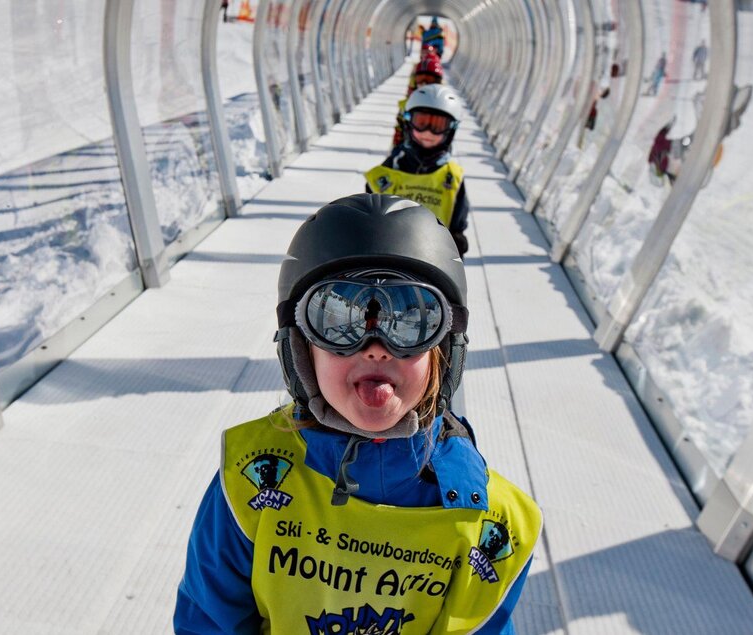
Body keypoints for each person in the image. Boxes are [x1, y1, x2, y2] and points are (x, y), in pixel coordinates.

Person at [174, 194, 542, 634]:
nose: (376, 346)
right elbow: (209, 621)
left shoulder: (493, 525)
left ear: (443, 350)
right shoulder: (251, 478)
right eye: (339, 319)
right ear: (301, 348)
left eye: (410, 321)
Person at [365, 85, 471, 256]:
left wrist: (456, 239)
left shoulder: (453, 177)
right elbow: (367, 215)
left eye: (437, 125)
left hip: (434, 257)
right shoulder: (385, 174)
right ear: (408, 122)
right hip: (388, 255)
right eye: (421, 123)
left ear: (450, 129)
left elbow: (458, 220)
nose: (428, 132)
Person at [394, 55, 444, 146]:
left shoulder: (444, 107)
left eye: (430, 80)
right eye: (420, 79)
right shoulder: (406, 105)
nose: (424, 83)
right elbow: (399, 129)